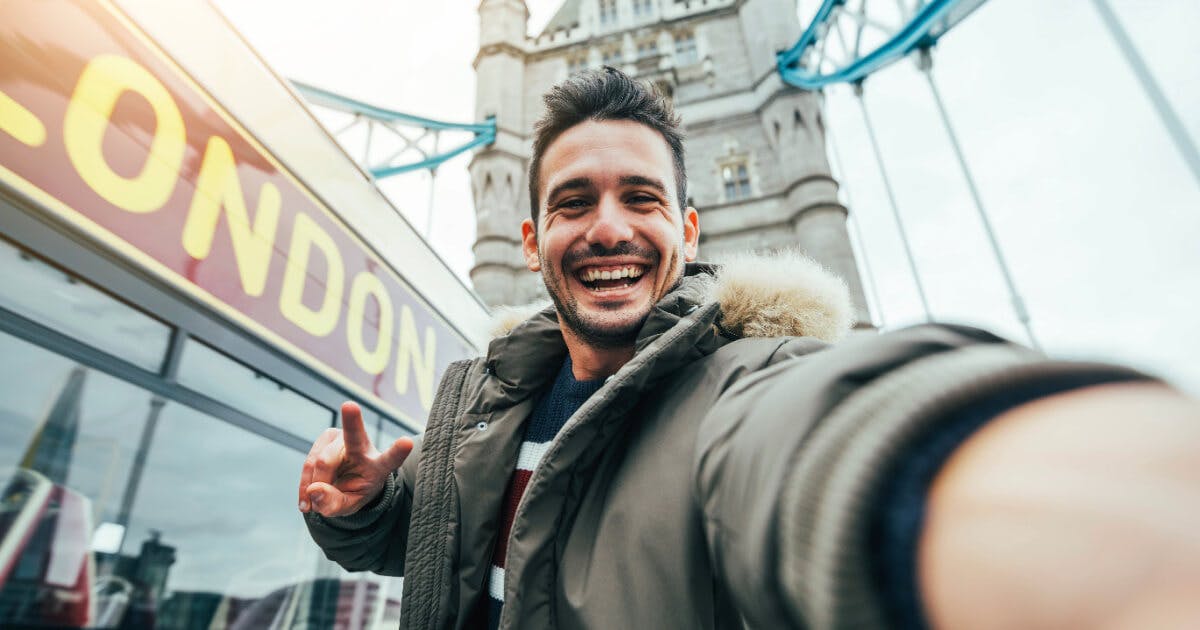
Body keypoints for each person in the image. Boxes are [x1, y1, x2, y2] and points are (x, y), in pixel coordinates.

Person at [299, 68, 1200, 629]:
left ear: (687, 230)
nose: (608, 228)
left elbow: (819, 445)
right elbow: (460, 552)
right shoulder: (478, 396)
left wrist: (983, 480)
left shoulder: (748, 382)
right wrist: (366, 515)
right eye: (573, 203)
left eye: (641, 200)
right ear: (530, 241)